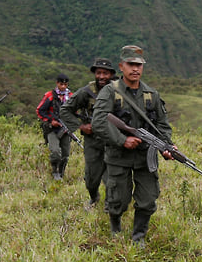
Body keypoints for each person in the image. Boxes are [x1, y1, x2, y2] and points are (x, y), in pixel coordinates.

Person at [91, 45, 173, 244]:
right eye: (131, 64)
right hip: (119, 156)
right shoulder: (110, 92)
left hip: (146, 156)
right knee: (118, 199)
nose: (135, 69)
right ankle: (115, 226)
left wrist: (167, 146)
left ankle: (139, 237)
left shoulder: (151, 94)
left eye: (139, 65)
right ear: (121, 66)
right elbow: (99, 122)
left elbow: (162, 124)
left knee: (147, 199)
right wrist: (122, 140)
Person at [63, 58, 116, 207]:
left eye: (105, 73)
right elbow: (65, 110)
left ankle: (109, 204)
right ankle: (94, 197)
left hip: (113, 139)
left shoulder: (119, 91)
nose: (102, 77)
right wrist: (81, 126)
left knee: (112, 175)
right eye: (99, 73)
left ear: (111, 74)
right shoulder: (86, 92)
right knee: (92, 177)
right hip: (93, 141)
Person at [36, 73, 75, 180]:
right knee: (55, 151)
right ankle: (55, 171)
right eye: (61, 84)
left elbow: (74, 112)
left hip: (65, 129)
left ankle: (61, 173)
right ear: (57, 83)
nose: (63, 87)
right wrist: (50, 120)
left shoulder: (71, 96)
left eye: (65, 84)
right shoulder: (49, 95)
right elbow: (39, 110)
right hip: (52, 129)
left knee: (65, 154)